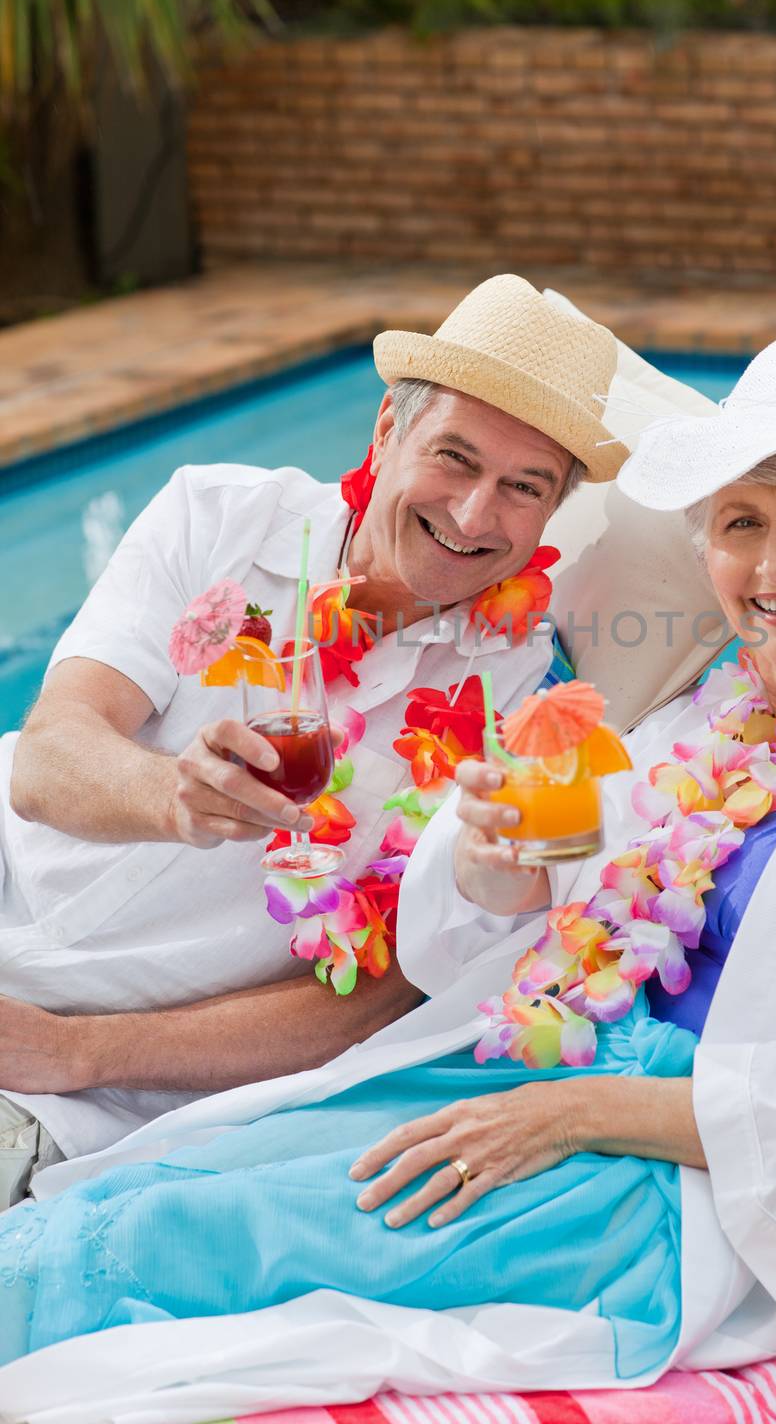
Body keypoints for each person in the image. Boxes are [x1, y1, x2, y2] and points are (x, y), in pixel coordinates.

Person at [0, 331, 776, 1422]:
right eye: (741, 522)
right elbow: (471, 941)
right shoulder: (702, 722)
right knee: (153, 1188)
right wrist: (491, 864)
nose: (773, 566)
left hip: (661, 1178)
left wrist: (573, 1111)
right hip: (515, 1073)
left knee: (153, 1244)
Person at [0, 274, 627, 1206]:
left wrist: (77, 1051)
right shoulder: (214, 514)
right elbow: (52, 753)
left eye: (522, 488)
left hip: (89, 1086)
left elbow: (378, 993)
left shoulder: (520, 702)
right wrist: (173, 794)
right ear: (386, 429)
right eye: (454, 458)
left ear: (549, 515)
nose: (471, 513)